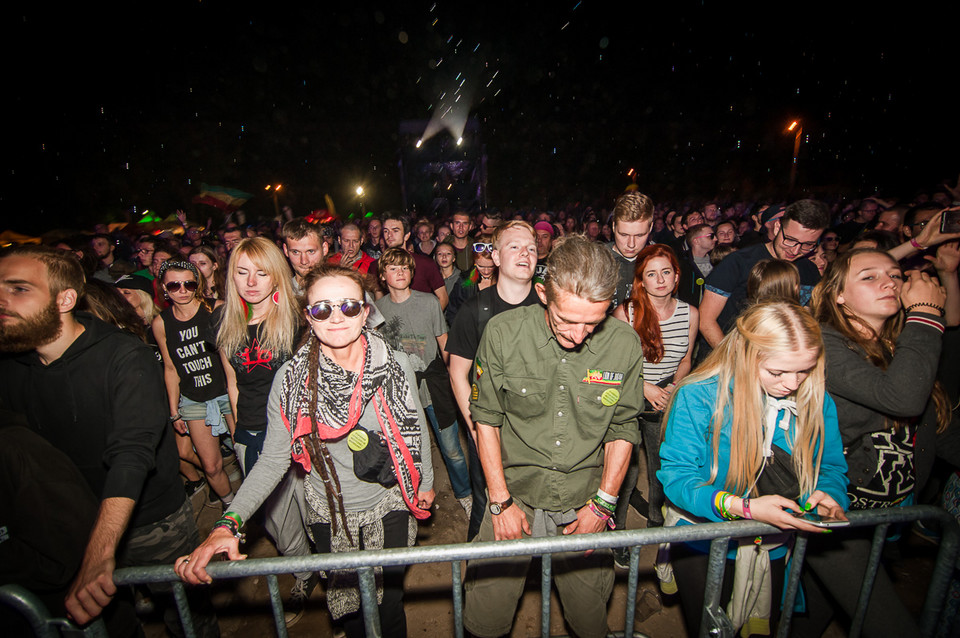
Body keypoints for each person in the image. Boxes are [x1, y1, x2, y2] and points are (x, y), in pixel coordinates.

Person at [176, 264, 434, 638]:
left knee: (389, 604)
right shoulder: (291, 380)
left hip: (390, 500)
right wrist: (227, 523)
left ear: (365, 312)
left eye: (348, 306)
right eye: (321, 308)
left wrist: (424, 481)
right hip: (328, 510)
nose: (336, 317)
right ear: (308, 318)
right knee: (354, 613)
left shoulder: (394, 364)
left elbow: (416, 426)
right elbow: (272, 460)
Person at [0, 245, 218, 636]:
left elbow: (132, 454)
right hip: (70, 526)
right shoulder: (11, 367)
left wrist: (100, 552)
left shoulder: (123, 356)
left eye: (19, 289)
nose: (3, 299)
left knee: (187, 615)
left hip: (149, 522)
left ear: (65, 298)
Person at [462, 236, 644, 638]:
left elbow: (623, 427)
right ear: (543, 293)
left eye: (592, 323)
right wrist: (500, 501)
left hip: (584, 501)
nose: (579, 335)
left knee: (588, 619)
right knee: (485, 618)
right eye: (566, 320)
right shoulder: (502, 333)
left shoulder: (624, 346)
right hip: (515, 496)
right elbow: (486, 419)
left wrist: (604, 504)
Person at [658, 301, 849, 637]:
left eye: (804, 370)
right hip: (703, 535)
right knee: (709, 628)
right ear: (746, 354)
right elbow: (678, 479)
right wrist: (744, 508)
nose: (792, 383)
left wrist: (830, 495)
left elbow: (832, 465)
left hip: (772, 542)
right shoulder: (700, 396)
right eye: (777, 372)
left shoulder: (815, 398)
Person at [802, 248, 955, 636]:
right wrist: (924, 314)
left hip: (885, 519)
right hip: (834, 515)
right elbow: (901, 398)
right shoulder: (824, 344)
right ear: (838, 294)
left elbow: (940, 427)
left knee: (810, 616)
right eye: (869, 277)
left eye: (895, 274)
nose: (889, 282)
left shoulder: (899, 347)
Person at [214, 236, 316, 624]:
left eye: (261, 272)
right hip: (253, 434)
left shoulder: (296, 318)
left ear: (277, 274)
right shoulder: (223, 321)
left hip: (300, 434)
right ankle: (304, 573)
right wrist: (239, 434)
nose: (251, 281)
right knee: (277, 520)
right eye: (242, 272)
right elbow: (233, 384)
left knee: (315, 512)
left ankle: (336, 580)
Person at [446, 221, 541, 540]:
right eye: (514, 246)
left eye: (531, 247)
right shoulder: (474, 310)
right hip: (491, 427)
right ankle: (478, 578)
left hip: (536, 429)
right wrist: (474, 427)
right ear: (496, 257)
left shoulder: (549, 308)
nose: (525, 253)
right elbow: (458, 373)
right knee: (488, 505)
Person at [611, 245, 697, 553]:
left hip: (668, 396)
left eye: (666, 272)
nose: (660, 279)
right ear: (641, 280)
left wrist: (676, 385)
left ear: (676, 277)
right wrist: (645, 386)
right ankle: (617, 534)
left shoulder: (690, 313)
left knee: (661, 466)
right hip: (632, 392)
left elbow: (686, 359)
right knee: (625, 467)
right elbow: (616, 362)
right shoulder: (627, 312)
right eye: (651, 274)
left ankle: (655, 527)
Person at [375, 248, 472, 515]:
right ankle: (411, 494)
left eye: (405, 268)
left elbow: (444, 342)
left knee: (451, 448)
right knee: (406, 449)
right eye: (393, 268)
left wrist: (455, 382)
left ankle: (465, 493)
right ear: (383, 276)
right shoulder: (377, 311)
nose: (400, 273)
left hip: (434, 384)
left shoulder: (429, 302)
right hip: (400, 391)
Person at [153, 260, 236, 508]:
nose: (182, 290)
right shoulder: (161, 323)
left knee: (246, 455)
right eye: (174, 285)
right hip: (193, 399)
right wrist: (174, 412)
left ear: (197, 284)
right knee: (211, 466)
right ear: (164, 288)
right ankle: (231, 509)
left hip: (226, 392)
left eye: (189, 284)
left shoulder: (215, 309)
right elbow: (170, 368)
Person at [699, 199, 829, 348]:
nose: (795, 250)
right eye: (790, 240)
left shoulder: (810, 271)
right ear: (777, 227)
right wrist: (734, 361)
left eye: (807, 245)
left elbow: (809, 322)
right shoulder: (738, 262)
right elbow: (706, 320)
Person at [367, 214, 449, 310]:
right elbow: (375, 303)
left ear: (407, 235)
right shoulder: (375, 266)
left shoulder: (425, 263)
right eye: (386, 231)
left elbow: (443, 297)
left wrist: (428, 321)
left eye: (395, 230)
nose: (389, 235)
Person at [607, 191, 655, 310]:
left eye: (639, 235)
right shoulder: (595, 258)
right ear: (613, 226)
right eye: (623, 235)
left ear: (651, 228)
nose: (631, 244)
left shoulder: (658, 261)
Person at [281, 218, 329, 296]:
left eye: (310, 251)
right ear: (286, 250)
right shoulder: (281, 294)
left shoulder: (340, 290)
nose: (304, 261)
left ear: (324, 249)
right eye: (296, 252)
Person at [677, 223, 717, 307]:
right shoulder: (682, 264)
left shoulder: (717, 260)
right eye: (710, 236)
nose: (715, 239)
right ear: (696, 241)